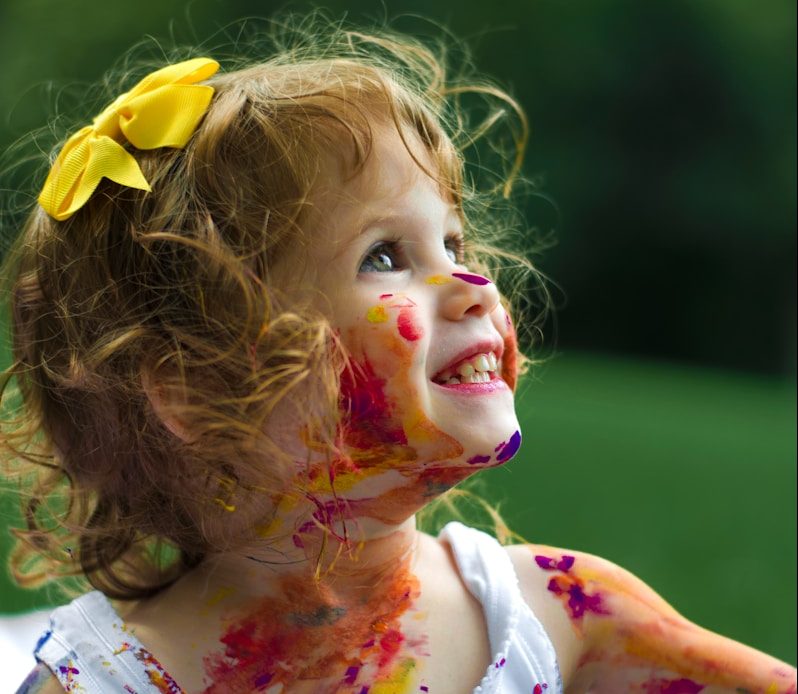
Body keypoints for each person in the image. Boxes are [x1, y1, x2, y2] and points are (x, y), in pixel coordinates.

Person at [2, 16, 795, 694]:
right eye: (384, 255)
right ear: (197, 388)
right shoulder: (101, 678)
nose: (470, 283)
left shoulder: (555, 615)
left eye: (452, 241)